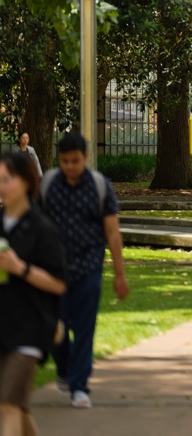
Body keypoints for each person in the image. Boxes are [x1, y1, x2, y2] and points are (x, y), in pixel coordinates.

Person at [40, 131, 129, 409]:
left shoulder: (100, 186)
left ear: (86, 158)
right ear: (59, 160)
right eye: (65, 161)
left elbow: (112, 232)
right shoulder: (49, 184)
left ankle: (80, 386)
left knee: (84, 328)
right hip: (53, 269)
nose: (70, 167)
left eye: (75, 161)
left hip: (89, 268)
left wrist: (119, 272)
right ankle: (65, 369)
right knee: (55, 327)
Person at [0, 150, 66, 432]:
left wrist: (21, 268)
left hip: (30, 329)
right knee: (15, 406)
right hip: (2, 327)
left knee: (7, 405)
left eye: (7, 179)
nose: (1, 185)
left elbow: (59, 283)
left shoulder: (42, 229)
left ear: (27, 181)